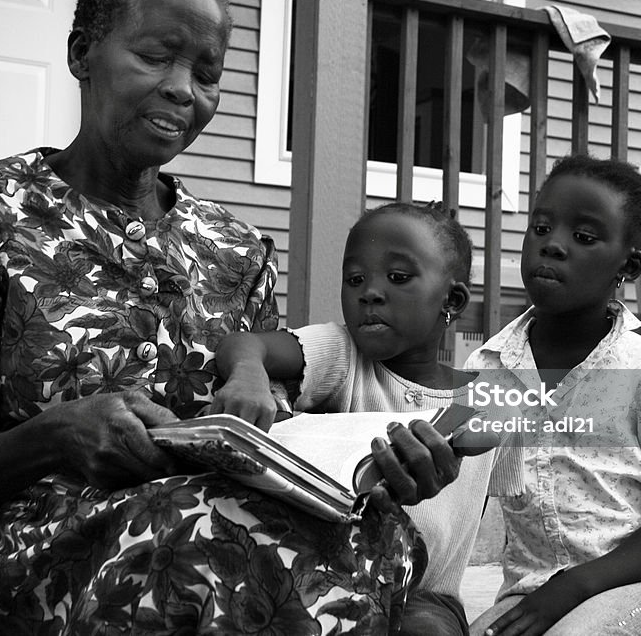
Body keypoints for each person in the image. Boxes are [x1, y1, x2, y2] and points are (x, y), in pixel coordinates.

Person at [0, 0, 459, 633]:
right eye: (156, 57)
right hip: (25, 554)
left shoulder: (236, 248)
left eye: (206, 74)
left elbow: (270, 442)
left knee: (377, 534)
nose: (184, 90)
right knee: (220, 543)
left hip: (216, 529)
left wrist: (373, 470)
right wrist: (54, 436)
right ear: (82, 52)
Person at [211, 202, 499, 636]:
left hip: (426, 595)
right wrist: (248, 373)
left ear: (452, 301)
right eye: (355, 279)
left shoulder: (484, 402)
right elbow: (246, 344)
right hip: (338, 571)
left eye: (398, 278)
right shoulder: (344, 355)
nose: (370, 293)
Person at [465, 155, 641, 636]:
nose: (553, 245)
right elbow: (465, 497)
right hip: (533, 592)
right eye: (541, 227)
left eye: (583, 237)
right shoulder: (487, 370)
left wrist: (573, 589)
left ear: (629, 264)